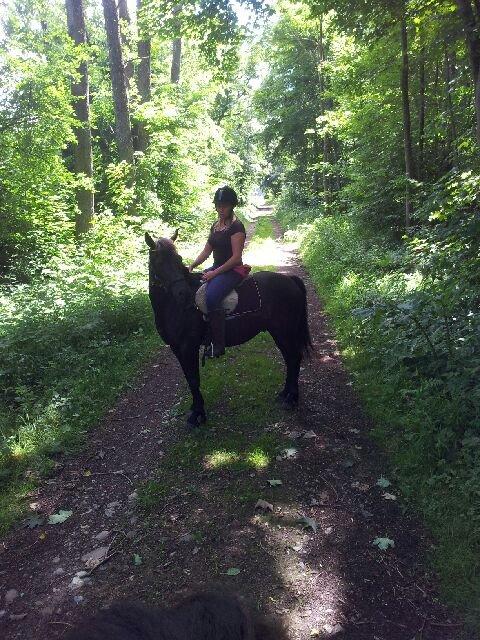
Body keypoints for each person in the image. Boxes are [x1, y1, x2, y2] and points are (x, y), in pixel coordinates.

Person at [189, 186, 249, 358]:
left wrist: (214, 274)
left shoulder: (236, 227)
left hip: (233, 270)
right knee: (192, 286)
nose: (221, 209)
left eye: (225, 205)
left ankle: (218, 344)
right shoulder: (215, 226)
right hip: (217, 268)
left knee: (212, 297)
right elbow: (207, 251)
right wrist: (192, 265)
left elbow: (236, 258)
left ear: (232, 206)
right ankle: (202, 332)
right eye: (218, 205)